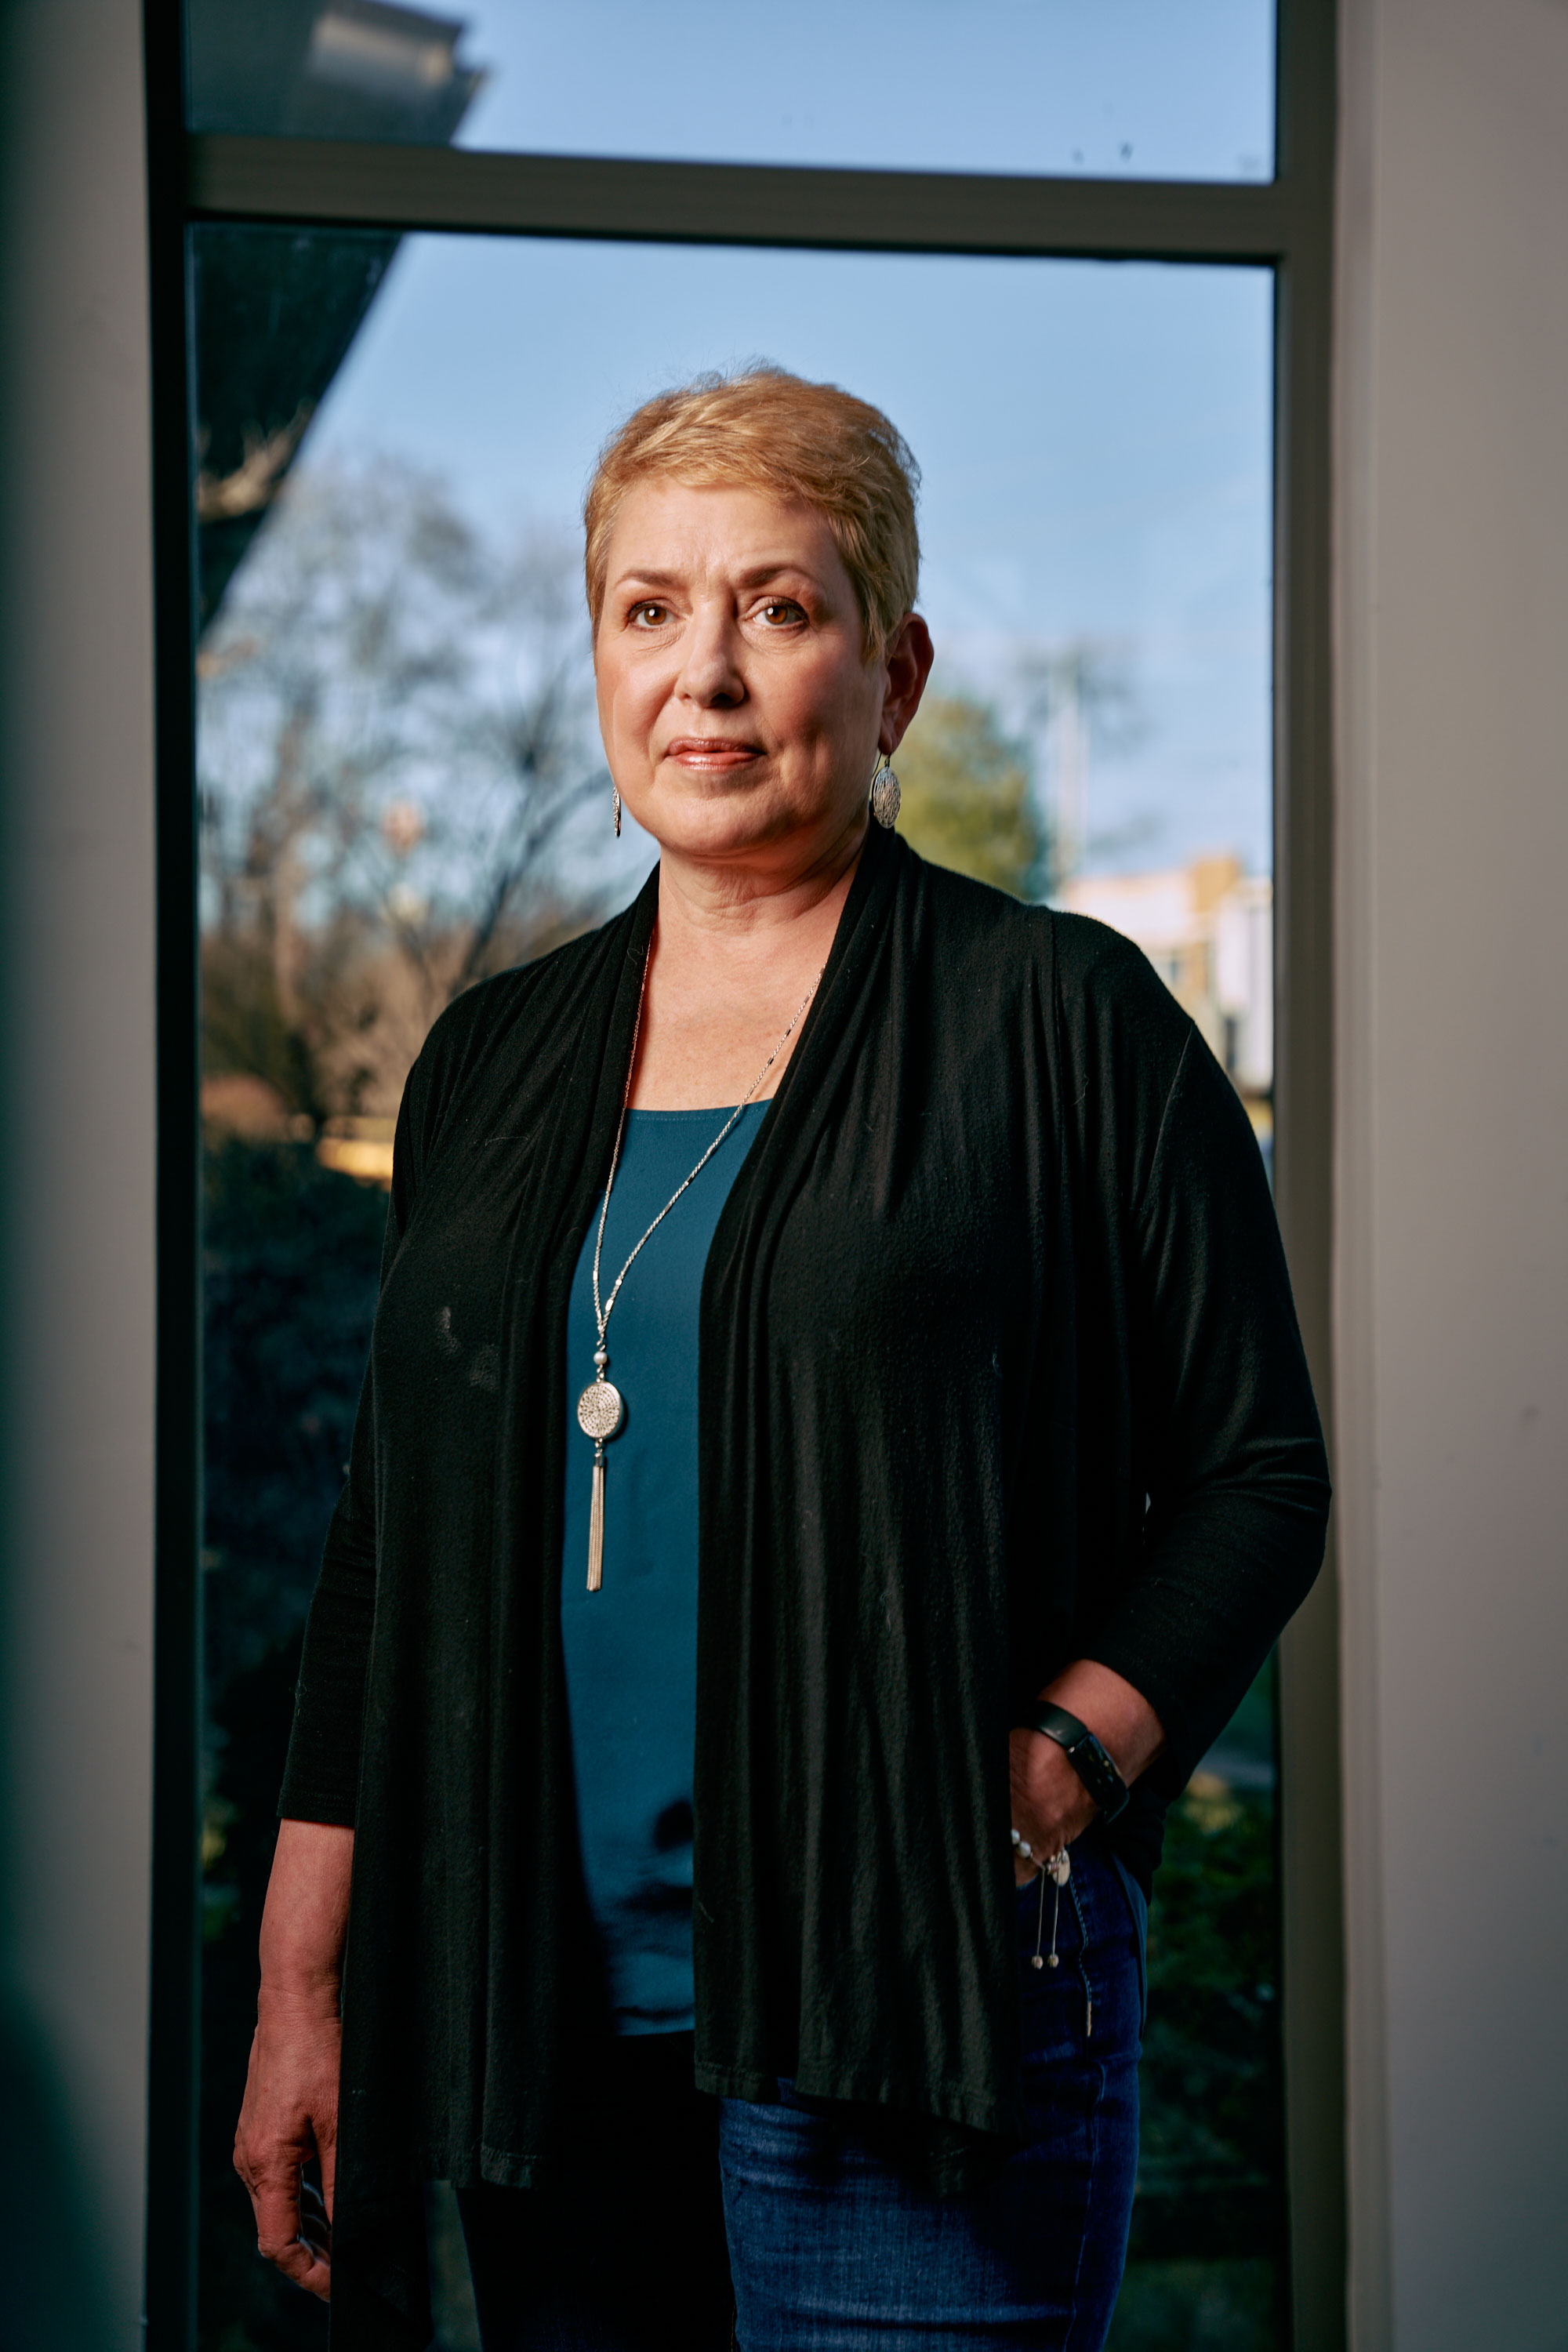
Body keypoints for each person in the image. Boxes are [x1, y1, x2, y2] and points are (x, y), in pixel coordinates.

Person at [234, 367, 1330, 2352]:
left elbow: (1257, 1472)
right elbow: (386, 1546)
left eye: (778, 608)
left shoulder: (1053, 1019)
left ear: (893, 671)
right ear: (596, 661)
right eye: (649, 610)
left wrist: (1056, 1768)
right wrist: (303, 1987)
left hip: (913, 1991)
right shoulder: (491, 1058)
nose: (707, 675)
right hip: (534, 2029)